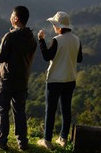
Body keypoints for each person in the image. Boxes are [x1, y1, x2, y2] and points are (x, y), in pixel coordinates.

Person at [0, 6, 37, 151]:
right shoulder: (31, 38)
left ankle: (1, 141)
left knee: (2, 110)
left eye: (12, 15)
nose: (10, 17)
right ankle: (22, 142)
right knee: (19, 111)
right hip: (22, 79)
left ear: (16, 19)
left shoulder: (9, 36)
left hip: (6, 79)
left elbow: (0, 57)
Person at [36, 11, 83, 150]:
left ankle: (47, 140)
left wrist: (41, 40)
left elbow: (46, 56)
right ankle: (63, 138)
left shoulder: (57, 40)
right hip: (70, 79)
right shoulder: (76, 40)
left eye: (54, 25)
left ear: (59, 26)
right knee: (66, 109)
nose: (53, 27)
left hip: (55, 80)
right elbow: (79, 59)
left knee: (50, 110)